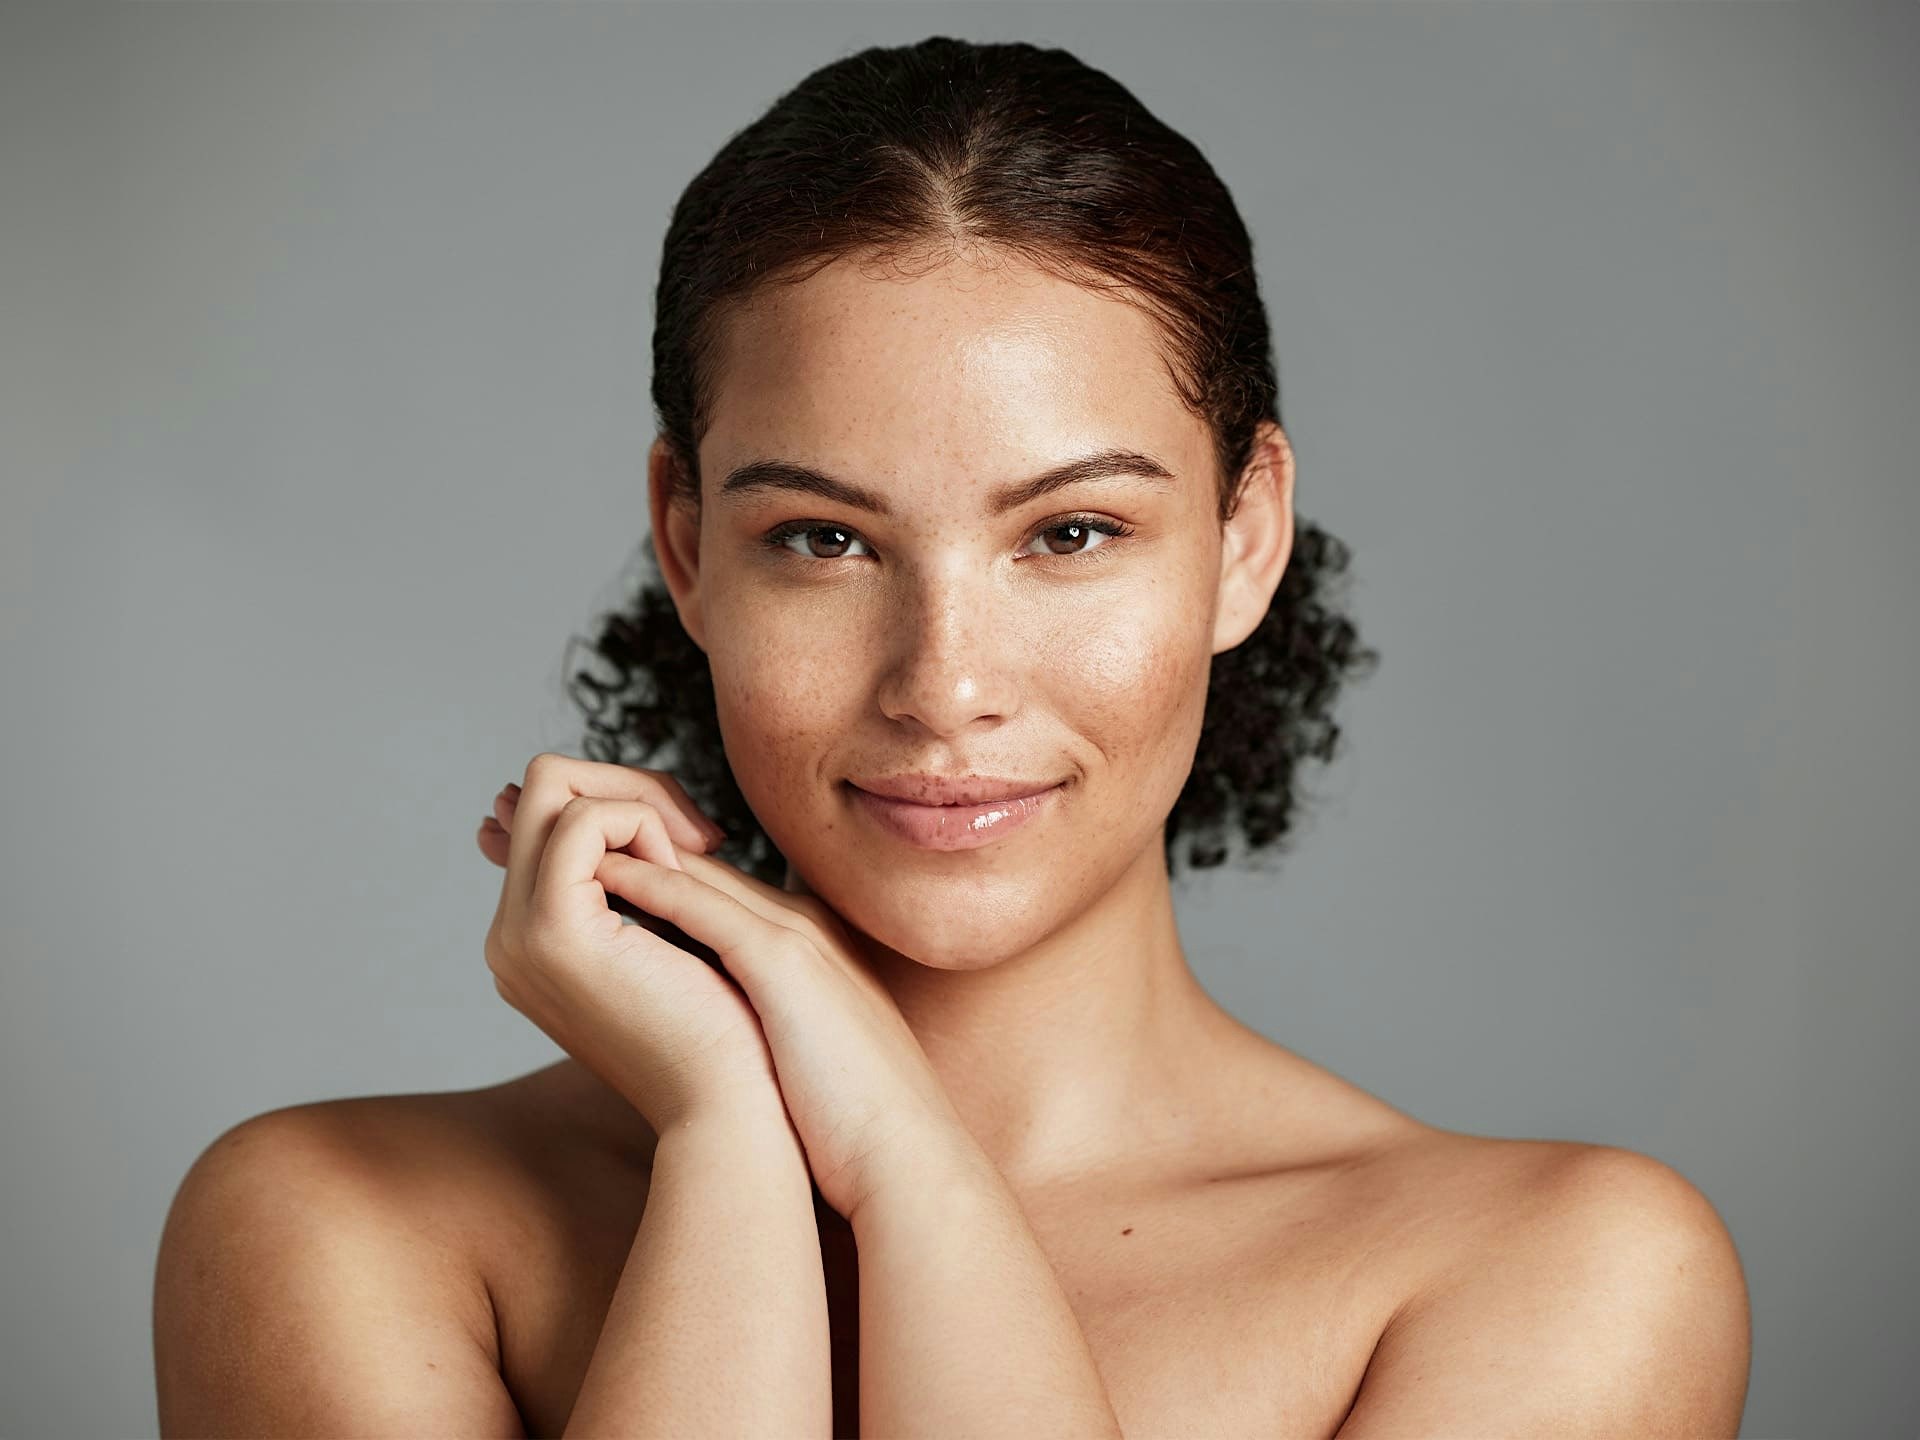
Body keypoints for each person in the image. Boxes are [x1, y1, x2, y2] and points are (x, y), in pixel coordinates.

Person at [153, 35, 1751, 1438]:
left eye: (1069, 534)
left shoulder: (1556, 1279)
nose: (944, 683)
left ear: (1245, 537)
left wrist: (902, 1162)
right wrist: (733, 1142)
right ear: (690, 543)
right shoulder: (339, 1232)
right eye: (826, 541)